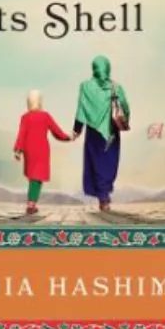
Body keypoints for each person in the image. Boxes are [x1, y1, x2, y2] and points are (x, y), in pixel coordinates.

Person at [73, 54, 130, 212]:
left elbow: (81, 109)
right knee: (109, 164)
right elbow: (125, 107)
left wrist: (77, 130)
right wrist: (124, 122)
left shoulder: (85, 86)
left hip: (93, 133)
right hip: (111, 132)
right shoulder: (116, 87)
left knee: (95, 163)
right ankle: (104, 196)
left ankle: (102, 197)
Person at [12, 89, 72, 216]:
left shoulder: (25, 117)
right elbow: (57, 132)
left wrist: (18, 150)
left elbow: (21, 134)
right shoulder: (45, 116)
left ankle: (31, 203)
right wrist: (68, 137)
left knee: (33, 177)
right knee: (37, 178)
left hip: (29, 151)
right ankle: (31, 204)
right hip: (42, 151)